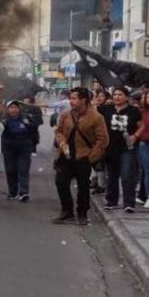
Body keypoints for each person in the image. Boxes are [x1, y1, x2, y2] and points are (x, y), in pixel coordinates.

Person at [52, 87, 109, 225]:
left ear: (83, 100)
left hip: (83, 156)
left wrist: (91, 157)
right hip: (65, 155)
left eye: (74, 98)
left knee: (83, 186)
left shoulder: (96, 117)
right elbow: (59, 131)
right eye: (70, 98)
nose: (71, 101)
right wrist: (61, 141)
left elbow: (103, 140)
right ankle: (67, 211)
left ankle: (82, 213)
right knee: (61, 182)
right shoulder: (66, 115)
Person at [99, 87, 141, 213]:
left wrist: (135, 136)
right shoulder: (105, 109)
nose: (117, 97)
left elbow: (142, 125)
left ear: (127, 97)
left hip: (127, 147)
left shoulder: (134, 111)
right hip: (110, 147)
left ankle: (129, 203)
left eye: (120, 94)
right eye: (115, 95)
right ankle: (111, 201)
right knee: (111, 176)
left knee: (127, 175)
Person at [1, 99, 36, 202]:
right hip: (9, 149)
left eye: (16, 107)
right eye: (11, 107)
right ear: (7, 109)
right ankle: (12, 192)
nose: (14, 110)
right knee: (11, 171)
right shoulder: (4, 120)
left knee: (23, 170)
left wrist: (28, 124)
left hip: (24, 148)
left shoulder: (25, 118)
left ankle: (24, 192)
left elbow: (34, 128)